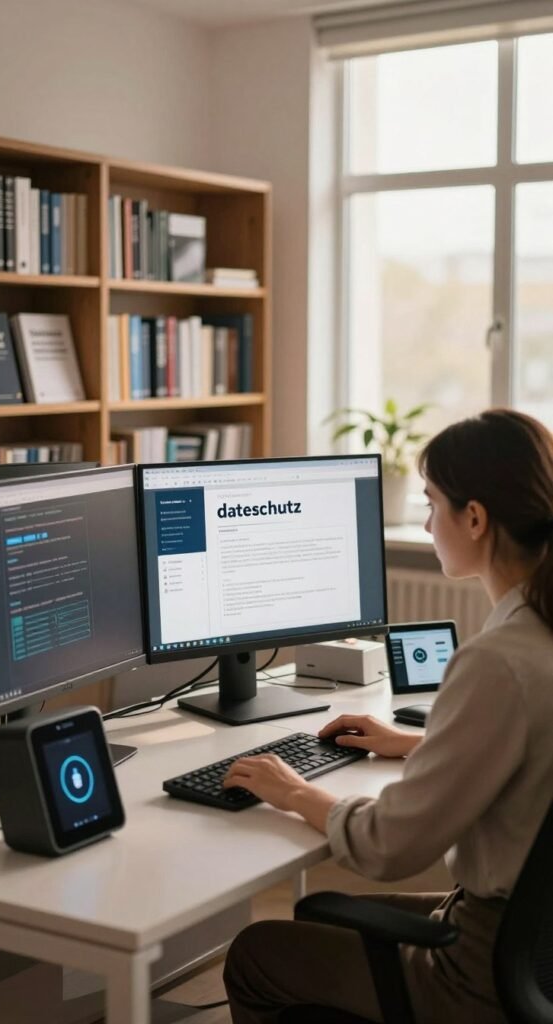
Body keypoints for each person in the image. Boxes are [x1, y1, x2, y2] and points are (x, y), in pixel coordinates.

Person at [222, 408, 553, 1024]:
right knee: (316, 917)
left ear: (474, 518)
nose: (426, 523)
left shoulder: (497, 662)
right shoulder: (538, 638)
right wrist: (420, 745)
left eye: (431, 503)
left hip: (483, 971)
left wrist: (293, 791)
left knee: (255, 952)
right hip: (538, 953)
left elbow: (389, 846)